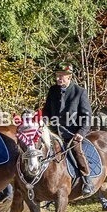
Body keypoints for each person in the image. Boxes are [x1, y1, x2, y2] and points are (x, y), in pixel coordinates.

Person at [42, 63, 95, 194]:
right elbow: (46, 111)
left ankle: (87, 179)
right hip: (54, 132)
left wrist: (81, 132)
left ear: (69, 77)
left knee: (77, 151)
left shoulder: (79, 92)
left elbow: (87, 116)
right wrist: (43, 121)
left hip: (72, 133)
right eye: (57, 76)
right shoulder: (53, 90)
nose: (58, 78)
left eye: (61, 76)